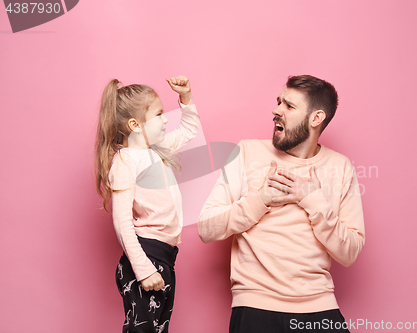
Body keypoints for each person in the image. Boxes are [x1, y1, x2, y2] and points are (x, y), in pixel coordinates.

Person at [198, 75, 365, 333]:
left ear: (315, 119)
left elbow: (350, 252)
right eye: (279, 102)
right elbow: (206, 228)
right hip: (255, 307)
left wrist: (311, 199)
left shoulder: (340, 167)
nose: (276, 111)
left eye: (289, 106)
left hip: (318, 307)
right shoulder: (246, 152)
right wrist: (261, 199)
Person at [94, 76, 199, 333]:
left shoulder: (156, 151)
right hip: (145, 257)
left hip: (166, 257)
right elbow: (122, 223)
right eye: (159, 114)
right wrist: (143, 271)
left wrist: (186, 97)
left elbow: (189, 130)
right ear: (135, 124)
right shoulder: (126, 161)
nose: (165, 119)